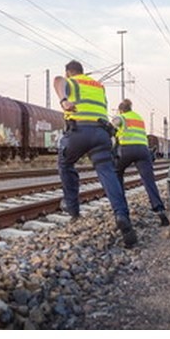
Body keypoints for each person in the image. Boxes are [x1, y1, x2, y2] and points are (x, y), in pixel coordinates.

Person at [53, 60, 137, 247]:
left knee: (65, 164)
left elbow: (57, 81)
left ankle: (73, 209)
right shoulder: (99, 86)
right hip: (100, 134)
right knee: (107, 173)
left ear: (69, 72)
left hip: (78, 132)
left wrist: (64, 100)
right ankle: (122, 216)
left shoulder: (70, 81)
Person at [112, 98, 170, 226]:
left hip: (126, 150)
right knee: (149, 180)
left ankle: (122, 211)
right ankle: (159, 210)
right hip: (143, 151)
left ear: (121, 110)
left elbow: (114, 124)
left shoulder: (122, 117)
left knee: (116, 174)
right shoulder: (138, 118)